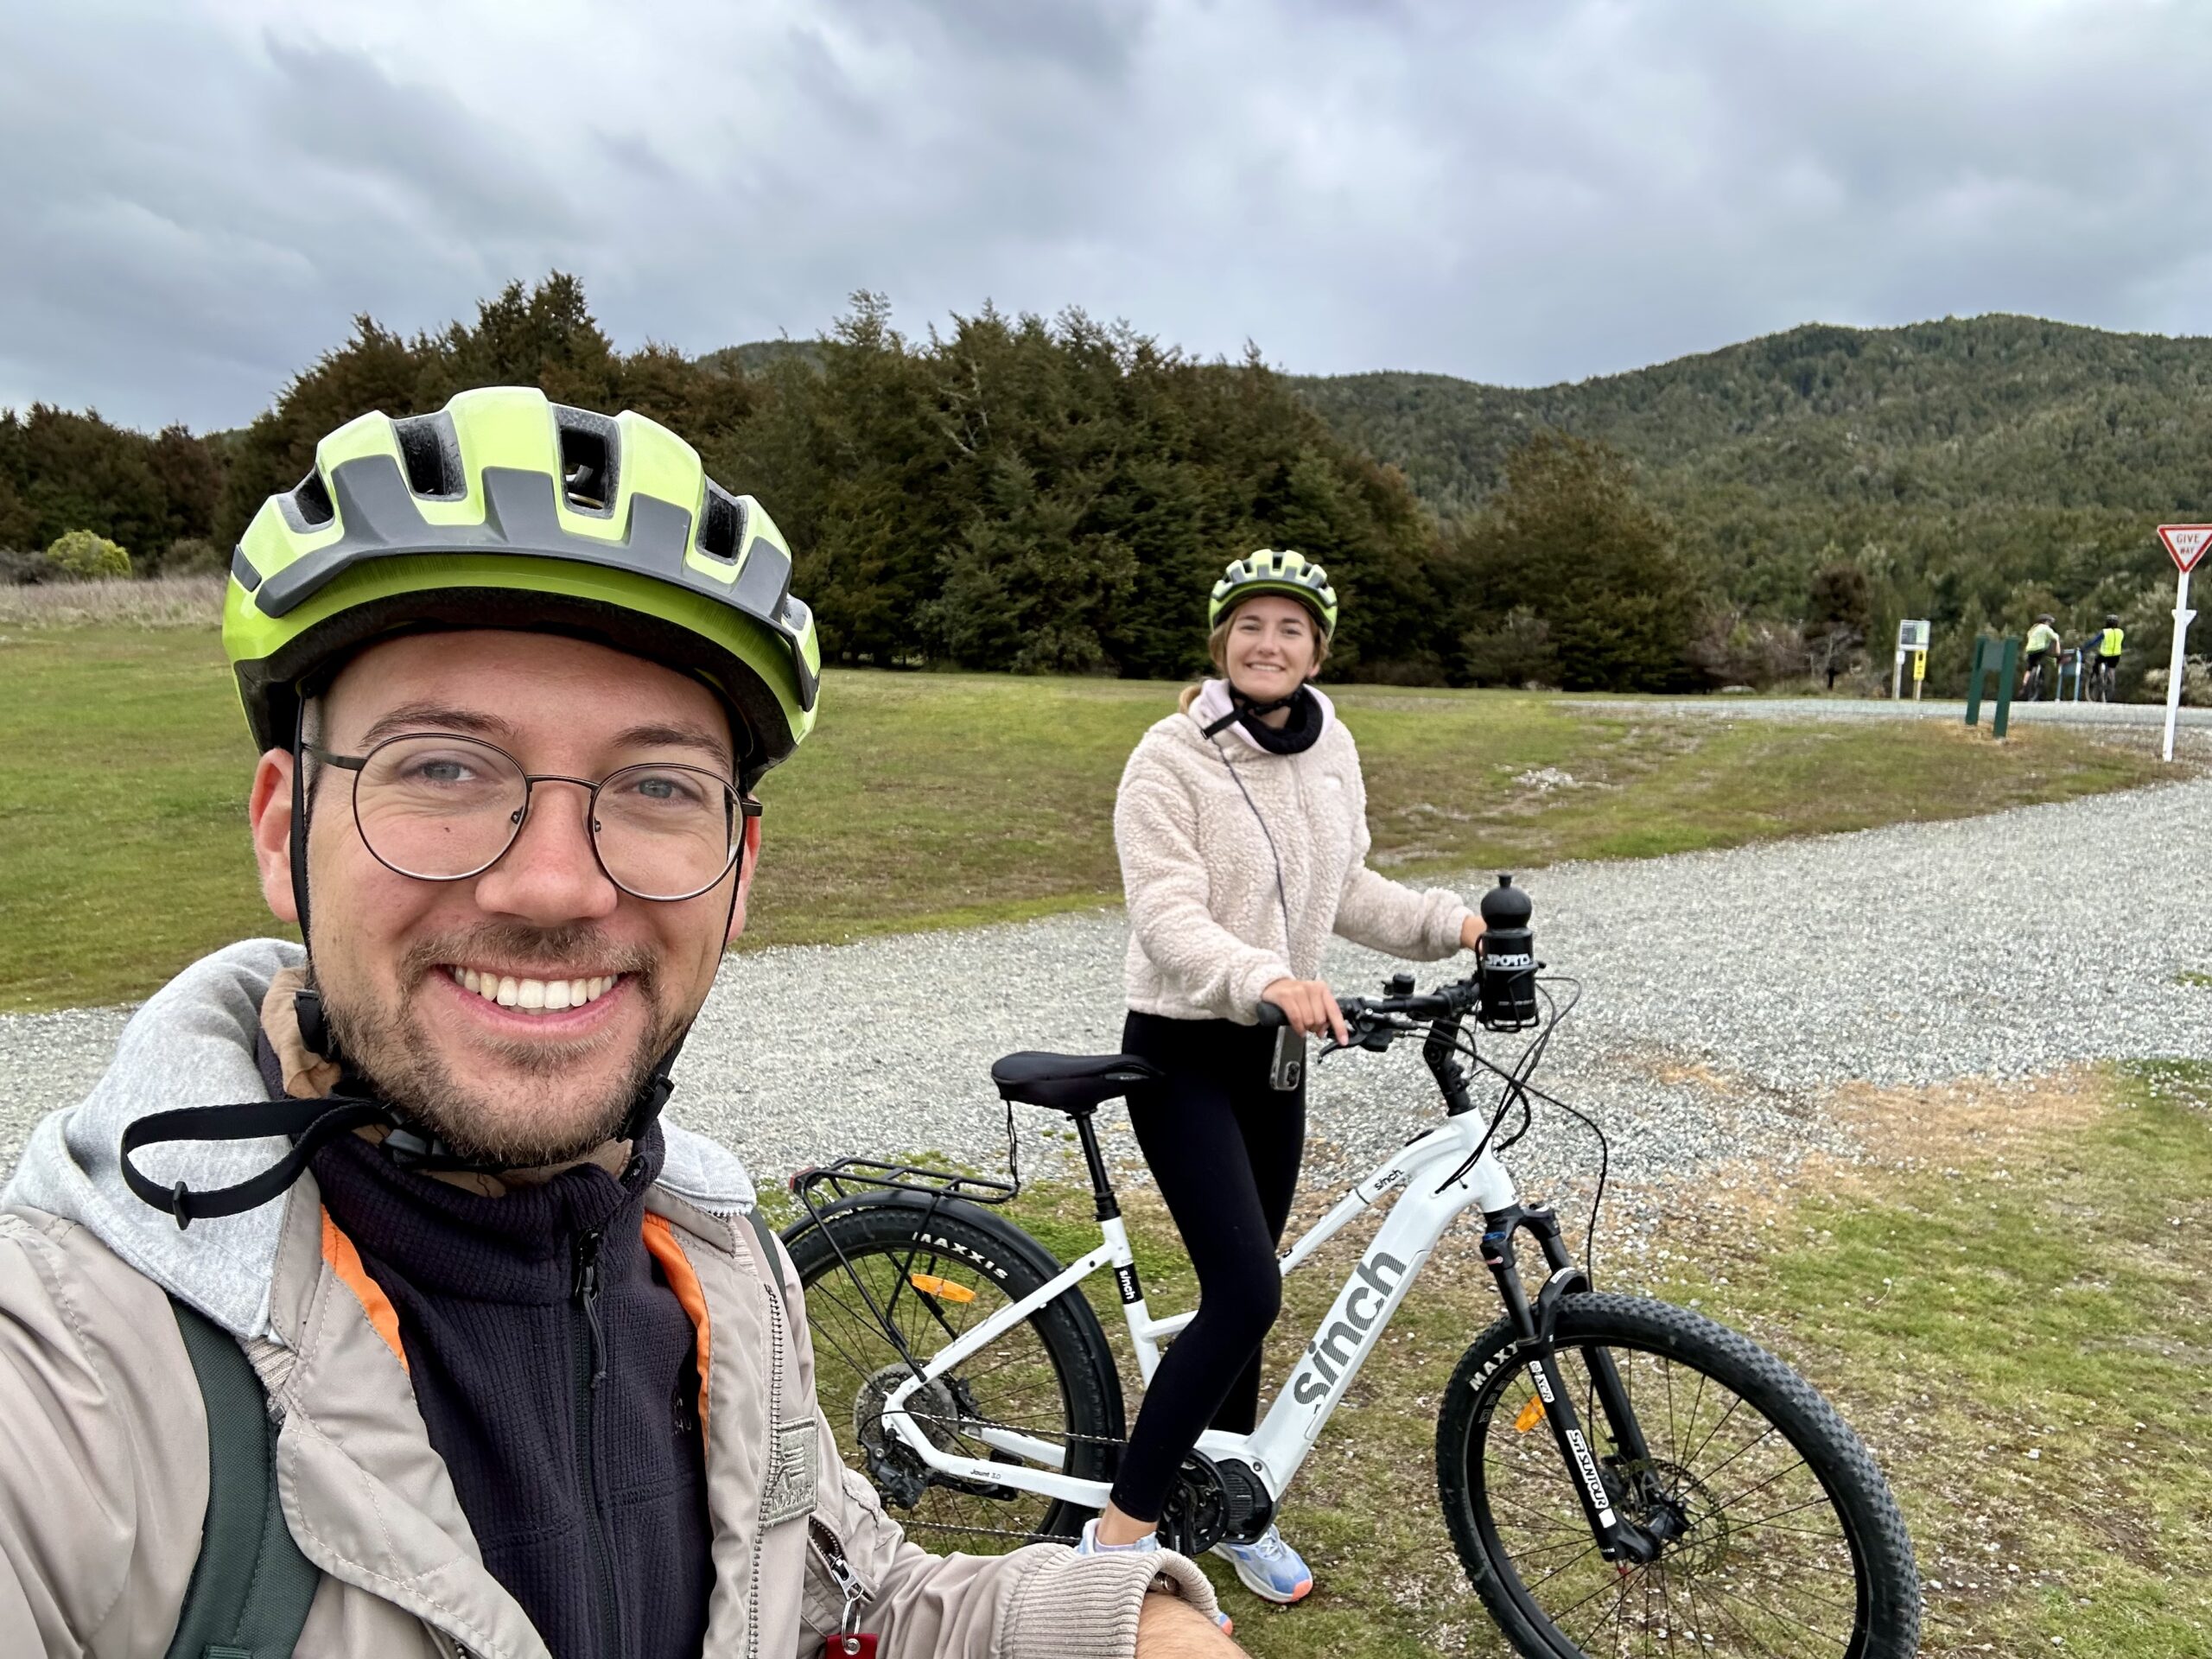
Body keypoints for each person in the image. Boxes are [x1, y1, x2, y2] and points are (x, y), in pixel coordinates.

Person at [0, 387, 1231, 1658]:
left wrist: (1127, 1631)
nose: (553, 886)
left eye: (654, 786)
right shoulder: (74, 1380)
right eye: (440, 766)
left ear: (740, 871)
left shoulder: (721, 1272)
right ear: (282, 828)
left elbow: (835, 1606)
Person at [1091, 550, 1484, 1603]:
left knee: (1247, 1301)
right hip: (1179, 1048)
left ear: (1318, 648)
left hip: (1272, 1056)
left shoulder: (1330, 745)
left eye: (1292, 629)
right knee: (1245, 1289)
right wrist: (1266, 975)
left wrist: (1449, 924)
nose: (1271, 644)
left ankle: (1226, 1499)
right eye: (1251, 626)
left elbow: (1339, 880)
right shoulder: (1168, 758)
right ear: (1220, 642)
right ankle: (1116, 1544)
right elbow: (1167, 916)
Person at [2021, 614, 2061, 701]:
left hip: (2030, 650)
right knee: (2049, 659)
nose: (2050, 624)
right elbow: (2055, 637)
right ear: (2045, 622)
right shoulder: (2046, 628)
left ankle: (2024, 686)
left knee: (2029, 669)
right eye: (2049, 622)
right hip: (2040, 649)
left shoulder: (2032, 630)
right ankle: (2058, 658)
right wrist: (2057, 653)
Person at [2094, 613, 2126, 702]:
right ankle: (2111, 686)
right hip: (2116, 655)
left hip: (2104, 655)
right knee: (2112, 669)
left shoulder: (2105, 632)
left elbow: (2094, 642)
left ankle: (2098, 677)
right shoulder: (2121, 632)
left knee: (2096, 663)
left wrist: (2083, 648)